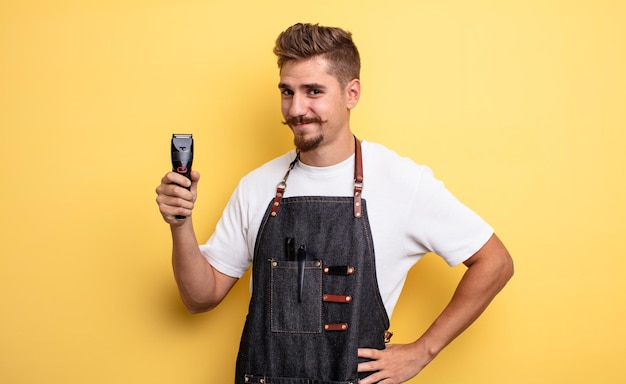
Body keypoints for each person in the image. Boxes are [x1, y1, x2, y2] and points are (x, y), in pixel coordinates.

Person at [156, 22, 514, 384]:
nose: (296, 109)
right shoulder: (257, 186)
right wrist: (180, 223)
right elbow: (200, 297)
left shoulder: (401, 181)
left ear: (351, 93)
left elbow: (495, 262)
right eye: (287, 92)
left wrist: (423, 351)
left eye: (313, 91)